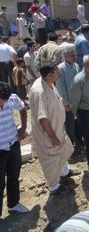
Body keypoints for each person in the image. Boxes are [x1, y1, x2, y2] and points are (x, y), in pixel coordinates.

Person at [29, 65, 80, 194]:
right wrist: (53, 136)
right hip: (47, 134)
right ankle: (54, 186)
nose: (59, 74)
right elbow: (43, 119)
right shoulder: (39, 91)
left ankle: (64, 172)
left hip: (58, 128)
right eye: (57, 72)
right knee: (50, 161)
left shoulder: (50, 83)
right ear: (49, 75)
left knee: (63, 151)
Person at [0, 81, 29, 216]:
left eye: (4, 101)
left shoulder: (11, 98)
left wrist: (23, 129)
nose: (3, 104)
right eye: (1, 101)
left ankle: (13, 204)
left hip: (13, 143)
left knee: (13, 176)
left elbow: (22, 108)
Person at [56, 45, 82, 149]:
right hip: (68, 103)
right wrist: (66, 103)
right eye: (73, 55)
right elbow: (60, 87)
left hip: (78, 101)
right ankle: (70, 147)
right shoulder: (60, 68)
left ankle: (79, 141)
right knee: (69, 125)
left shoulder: (76, 66)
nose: (75, 57)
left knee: (78, 123)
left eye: (75, 55)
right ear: (66, 56)